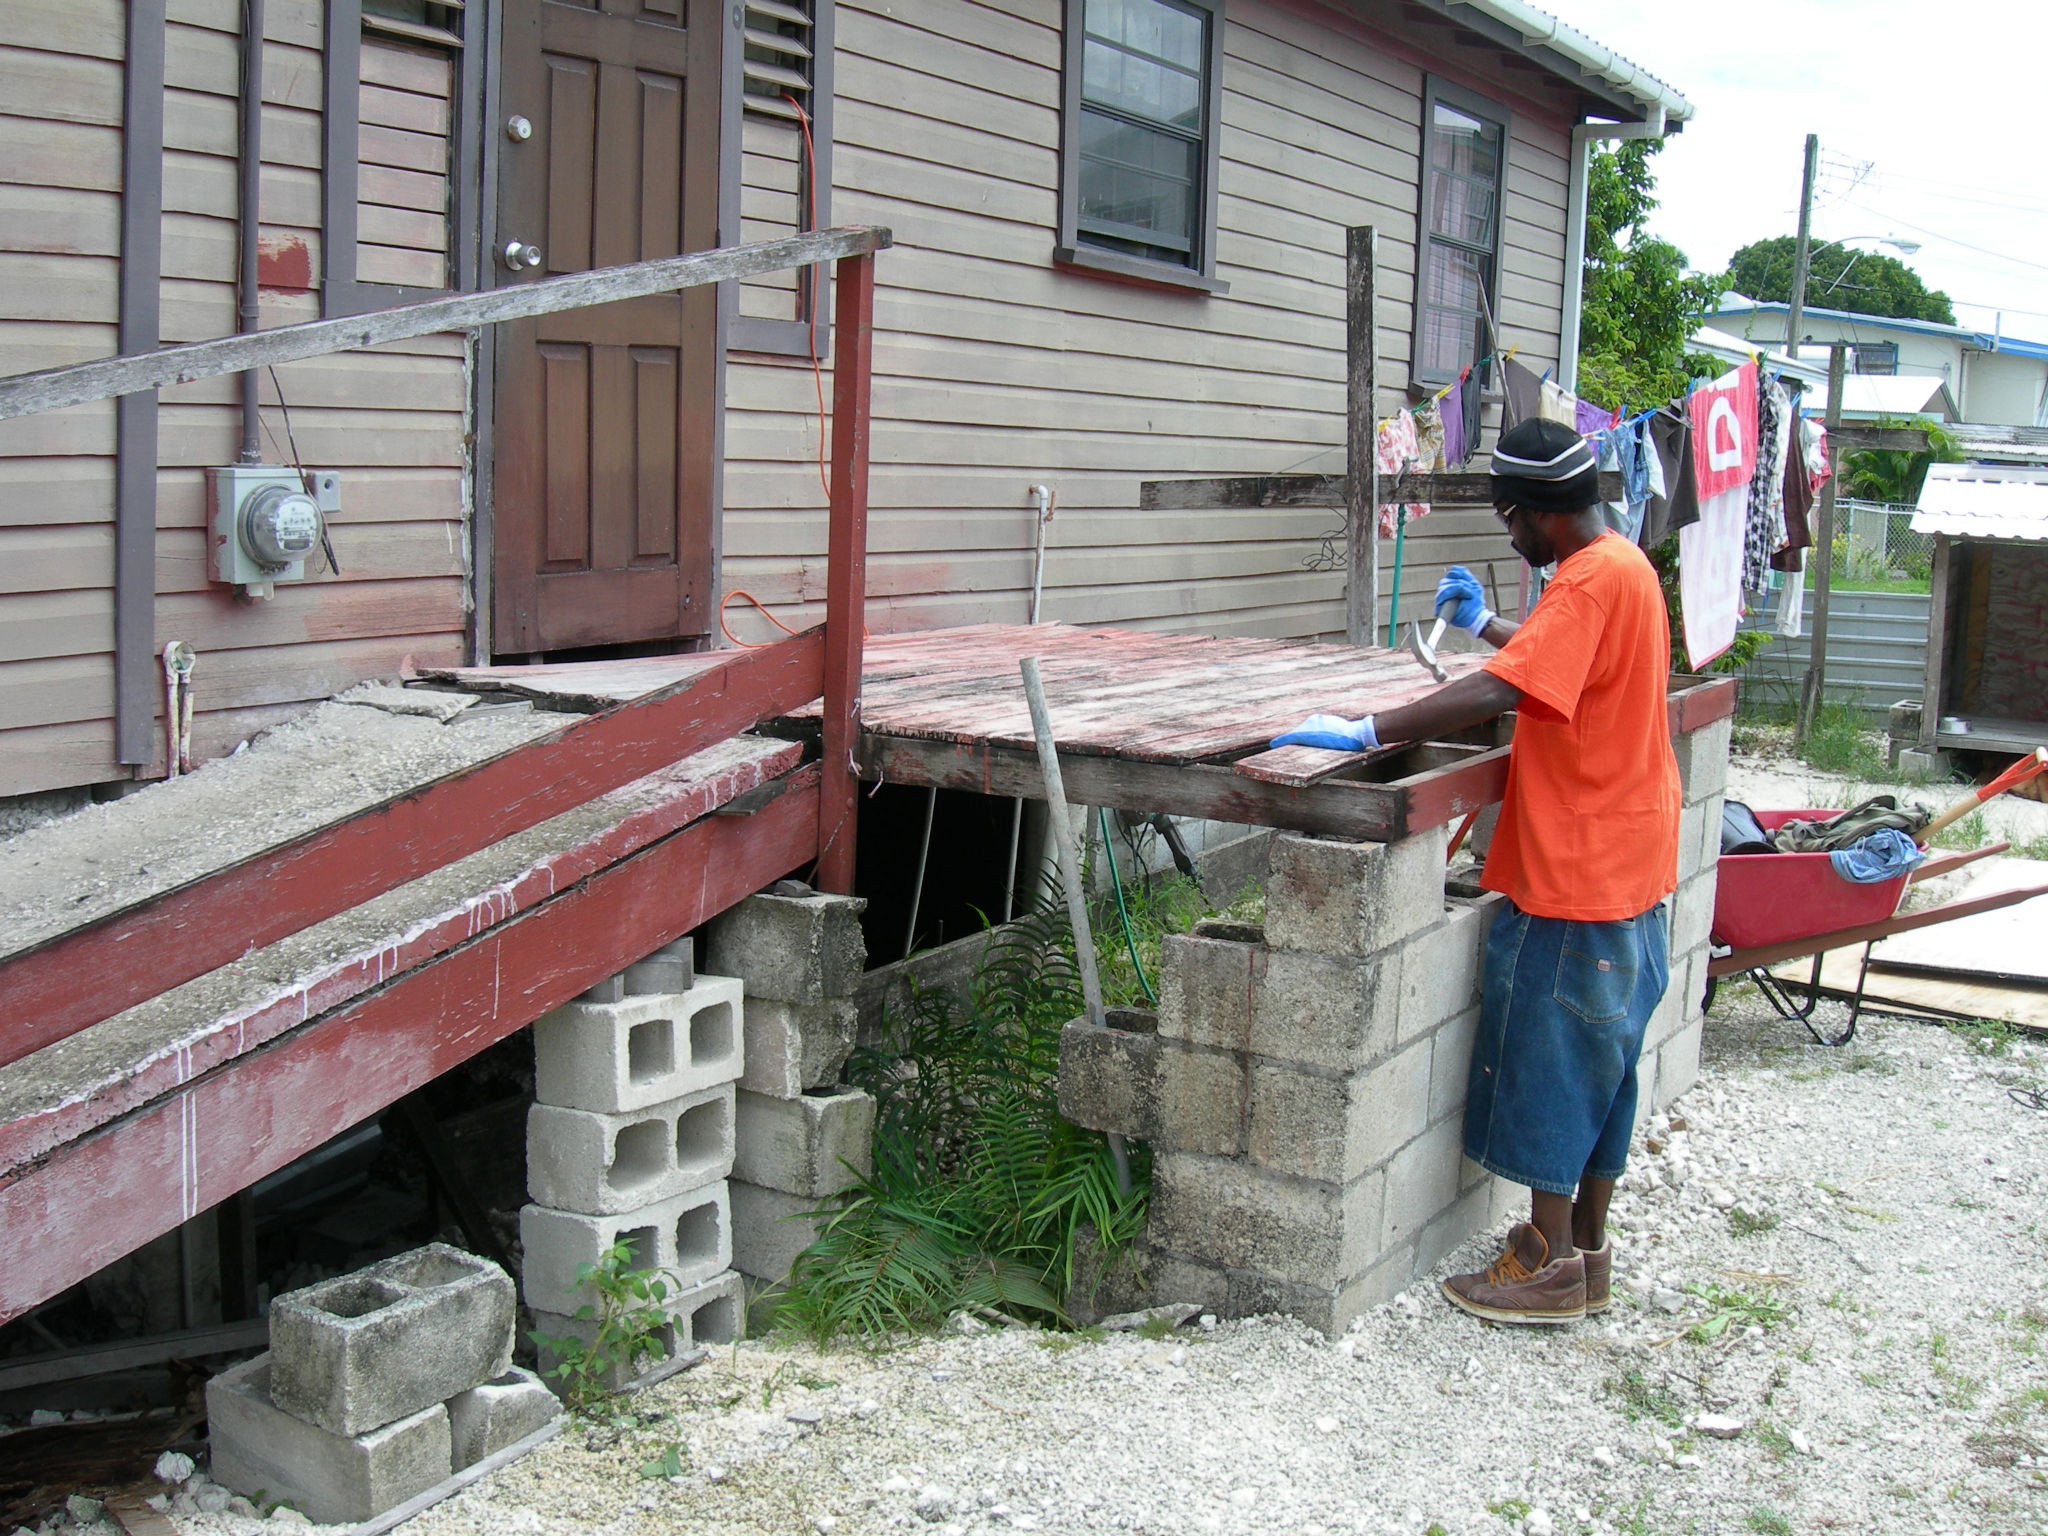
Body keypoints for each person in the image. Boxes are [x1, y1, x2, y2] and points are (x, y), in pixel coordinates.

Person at [1273, 417, 1680, 1326]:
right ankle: (1587, 1256)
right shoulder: (1628, 567)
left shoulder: (1583, 581)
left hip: (1575, 873)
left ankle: (1543, 1263)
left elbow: (1505, 688)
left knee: (1550, 1065)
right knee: (1606, 1070)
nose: (1509, 538)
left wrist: (1373, 729)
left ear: (1536, 511)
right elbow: (1557, 668)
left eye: (1509, 521)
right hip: (1635, 867)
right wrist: (1487, 623)